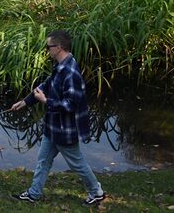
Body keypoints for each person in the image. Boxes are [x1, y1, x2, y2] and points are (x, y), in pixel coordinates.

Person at [10, 30, 105, 206]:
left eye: (48, 47)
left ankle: (96, 191)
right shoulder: (60, 67)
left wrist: (46, 101)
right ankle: (34, 193)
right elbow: (46, 85)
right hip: (52, 128)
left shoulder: (71, 73)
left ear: (59, 47)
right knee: (43, 161)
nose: (47, 50)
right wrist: (25, 102)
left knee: (77, 164)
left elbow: (71, 105)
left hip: (64, 130)